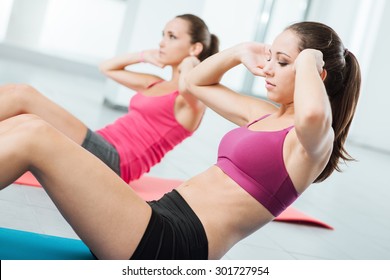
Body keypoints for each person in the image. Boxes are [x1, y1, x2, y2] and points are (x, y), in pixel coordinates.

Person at [0, 21, 360, 259]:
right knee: (29, 121)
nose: (267, 68)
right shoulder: (263, 114)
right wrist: (237, 52)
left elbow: (314, 114)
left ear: (317, 74)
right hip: (158, 215)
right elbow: (195, 83)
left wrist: (309, 59)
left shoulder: (313, 140)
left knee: (36, 134)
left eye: (281, 63)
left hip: (174, 246)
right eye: (271, 59)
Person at [0, 14, 219, 183]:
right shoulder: (154, 82)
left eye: (171, 37)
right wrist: (143, 56)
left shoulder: (192, 99)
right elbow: (107, 68)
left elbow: (188, 84)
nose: (162, 42)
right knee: (21, 110)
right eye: (163, 35)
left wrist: (191, 63)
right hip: (99, 143)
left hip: (114, 162)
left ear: (195, 47)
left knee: (23, 95)